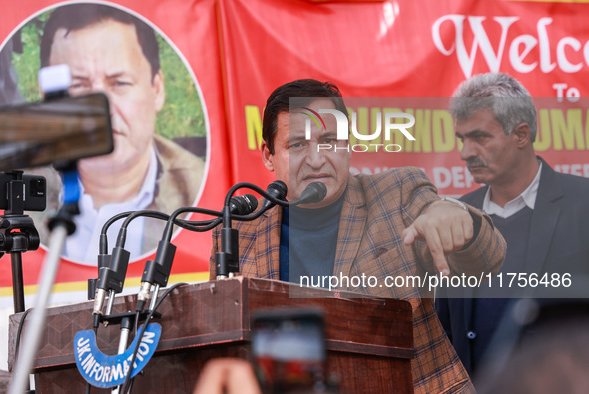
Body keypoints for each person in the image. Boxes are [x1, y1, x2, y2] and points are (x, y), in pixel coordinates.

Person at [209, 79, 506, 393]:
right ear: (269, 155)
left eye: (329, 141)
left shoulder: (398, 192)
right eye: (297, 144)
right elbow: (224, 339)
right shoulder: (240, 228)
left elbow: (486, 260)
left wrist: (460, 222)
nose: (316, 159)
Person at [435, 72, 589, 378]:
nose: (466, 153)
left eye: (480, 137)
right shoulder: (456, 215)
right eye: (462, 139)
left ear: (521, 134)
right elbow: (445, 330)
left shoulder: (582, 204)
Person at [29, 4, 205, 262]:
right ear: (47, 98)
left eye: (120, 83)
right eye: (79, 86)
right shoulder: (15, 195)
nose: (104, 111)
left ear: (156, 89)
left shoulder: (201, 197)